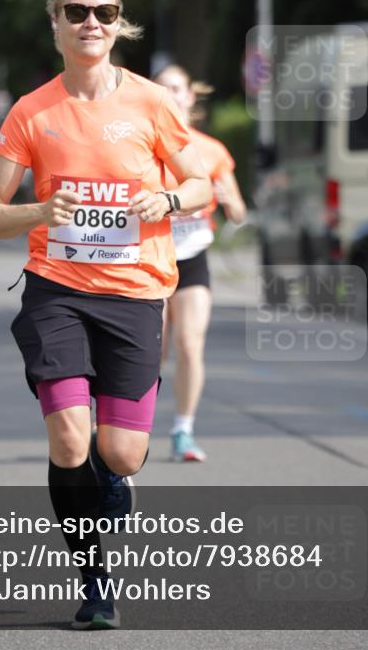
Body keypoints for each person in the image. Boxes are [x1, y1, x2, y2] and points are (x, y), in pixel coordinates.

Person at [0, 0, 211, 630]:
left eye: (103, 12)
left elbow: (201, 186)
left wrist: (164, 198)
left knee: (121, 454)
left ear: (119, 21)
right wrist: (40, 211)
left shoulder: (149, 102)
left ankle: (116, 470)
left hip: (135, 296)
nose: (90, 23)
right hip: (56, 292)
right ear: (54, 22)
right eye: (76, 11)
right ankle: (93, 580)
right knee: (71, 441)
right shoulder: (32, 111)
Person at [154, 64, 247, 463]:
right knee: (149, 352)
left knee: (189, 345)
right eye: (162, 88)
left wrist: (230, 201)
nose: (171, 94)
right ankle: (122, 429)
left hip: (192, 258)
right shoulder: (142, 146)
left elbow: (240, 212)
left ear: (191, 96)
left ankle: (182, 430)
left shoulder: (211, 150)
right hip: (149, 261)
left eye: (177, 88)